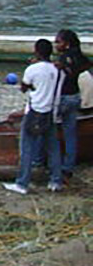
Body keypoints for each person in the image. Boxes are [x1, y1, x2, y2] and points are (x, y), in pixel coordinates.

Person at [5, 38, 63, 195]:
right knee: (53, 148)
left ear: (36, 51)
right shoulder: (57, 70)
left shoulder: (32, 69)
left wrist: (31, 81)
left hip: (34, 111)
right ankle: (56, 181)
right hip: (49, 111)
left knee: (27, 148)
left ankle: (22, 183)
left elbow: (24, 88)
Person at [53, 30, 88, 184]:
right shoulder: (80, 57)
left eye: (58, 42)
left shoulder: (64, 58)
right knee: (70, 134)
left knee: (49, 131)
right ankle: (68, 167)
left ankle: (46, 164)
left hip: (63, 97)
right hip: (75, 96)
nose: (56, 45)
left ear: (66, 44)